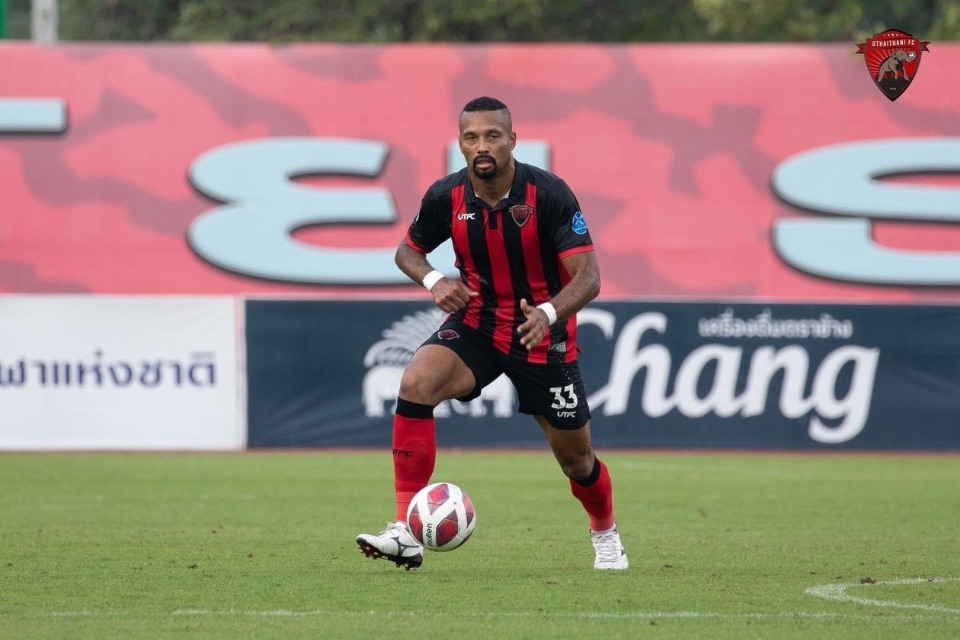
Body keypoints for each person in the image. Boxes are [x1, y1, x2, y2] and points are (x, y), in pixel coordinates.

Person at [356, 96, 627, 571]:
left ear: (512, 141)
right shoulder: (447, 196)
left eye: (492, 136)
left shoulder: (551, 194)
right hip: (477, 323)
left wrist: (547, 312)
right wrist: (436, 281)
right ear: (460, 144)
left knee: (577, 461)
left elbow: (589, 278)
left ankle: (605, 532)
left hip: (540, 334)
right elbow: (407, 252)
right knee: (416, 384)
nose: (482, 146)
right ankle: (405, 530)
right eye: (471, 137)